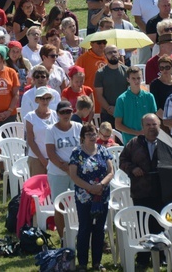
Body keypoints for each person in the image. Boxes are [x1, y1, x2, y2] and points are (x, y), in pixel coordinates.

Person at [119, 113, 172, 269]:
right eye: (148, 125)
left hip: (164, 191)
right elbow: (122, 161)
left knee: (161, 226)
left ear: (160, 126)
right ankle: (143, 258)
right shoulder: (133, 143)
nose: (151, 128)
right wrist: (132, 168)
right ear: (142, 127)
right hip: (142, 192)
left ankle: (161, 256)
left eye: (154, 124)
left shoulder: (168, 144)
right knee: (144, 225)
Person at [69, 123, 113, 271]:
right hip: (84, 197)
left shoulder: (103, 151)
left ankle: (97, 262)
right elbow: (73, 175)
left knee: (99, 229)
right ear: (83, 137)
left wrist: (100, 186)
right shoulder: (77, 153)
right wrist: (90, 188)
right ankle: (82, 263)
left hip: (102, 196)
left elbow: (111, 171)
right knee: (84, 228)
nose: (93, 137)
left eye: (94, 134)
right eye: (89, 134)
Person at [47, 100, 83, 238]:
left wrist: (74, 168)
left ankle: (80, 234)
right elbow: (50, 153)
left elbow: (83, 148)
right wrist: (66, 168)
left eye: (68, 111)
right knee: (59, 206)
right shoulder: (51, 130)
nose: (66, 115)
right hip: (57, 173)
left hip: (77, 173)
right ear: (57, 114)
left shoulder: (78, 127)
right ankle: (63, 237)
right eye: (63, 112)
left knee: (80, 204)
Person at [114, 66, 158, 144]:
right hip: (129, 142)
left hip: (148, 140)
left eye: (138, 78)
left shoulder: (149, 97)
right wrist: (137, 133)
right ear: (128, 79)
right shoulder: (121, 99)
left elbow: (154, 120)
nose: (136, 81)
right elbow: (118, 125)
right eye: (133, 78)